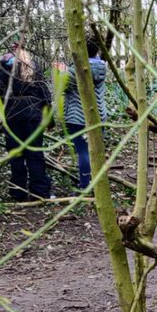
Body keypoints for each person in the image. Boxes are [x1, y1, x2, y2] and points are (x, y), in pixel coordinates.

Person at [0, 43, 53, 201]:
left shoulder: (4, 69)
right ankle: (39, 192)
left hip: (12, 117)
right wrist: (49, 119)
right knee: (35, 154)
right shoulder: (34, 67)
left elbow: (0, 95)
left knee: (16, 155)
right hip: (33, 117)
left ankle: (18, 192)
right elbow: (44, 94)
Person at [59, 35, 108, 193]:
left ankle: (85, 185)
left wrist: (61, 72)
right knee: (97, 151)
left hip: (77, 117)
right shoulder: (102, 67)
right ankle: (99, 185)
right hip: (99, 114)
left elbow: (62, 88)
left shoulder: (75, 71)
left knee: (83, 151)